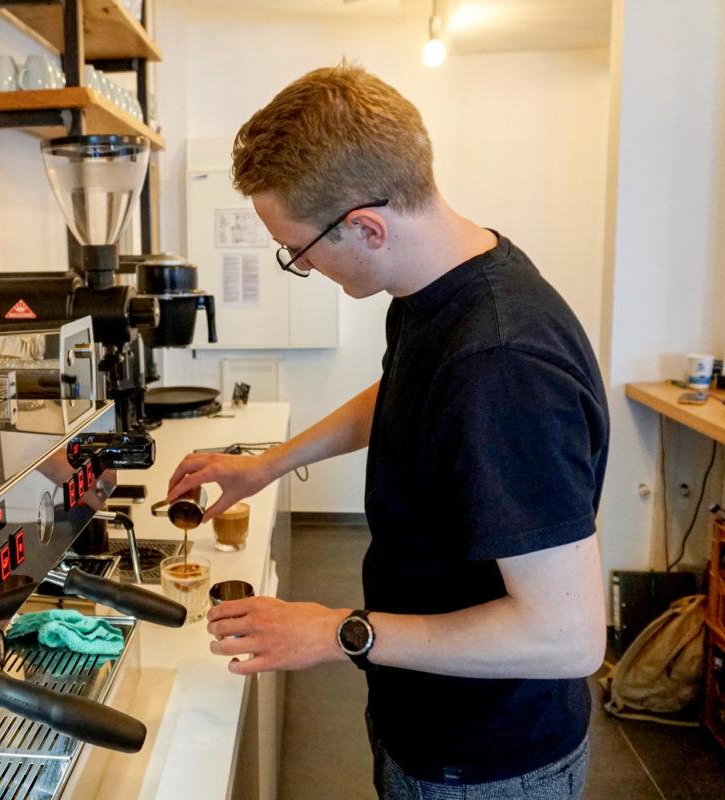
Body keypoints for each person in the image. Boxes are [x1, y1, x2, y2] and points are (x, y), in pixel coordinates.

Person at [164, 63, 609, 799]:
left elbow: (567, 636)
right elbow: (407, 390)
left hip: (489, 759)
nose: (301, 266)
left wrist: (339, 631)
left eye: (299, 253)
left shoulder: (502, 363)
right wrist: (267, 465)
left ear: (366, 227)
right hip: (427, 709)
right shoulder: (442, 287)